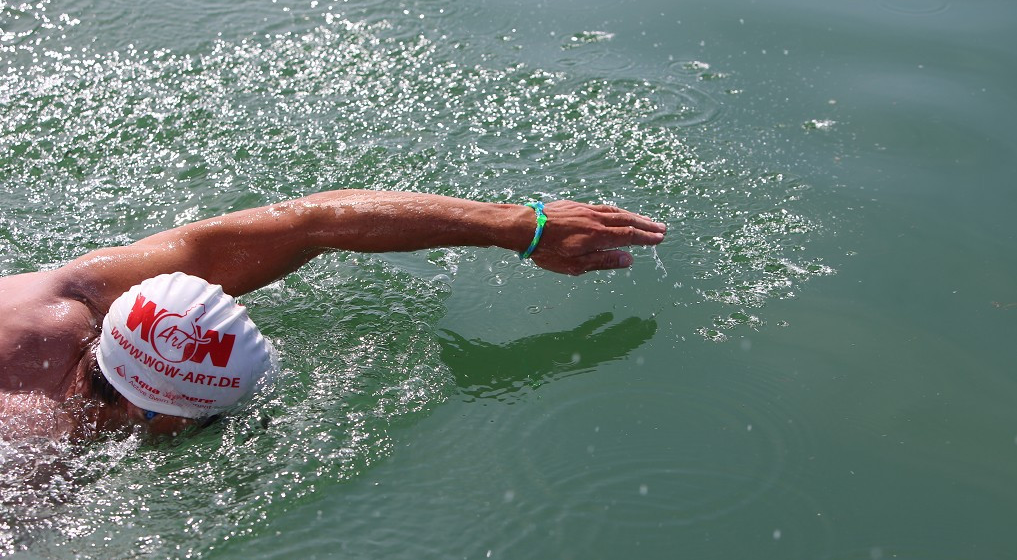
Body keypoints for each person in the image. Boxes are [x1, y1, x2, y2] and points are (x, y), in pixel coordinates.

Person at [0, 190, 666, 441]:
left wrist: (521, 226)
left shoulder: (72, 296)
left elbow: (307, 224)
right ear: (159, 409)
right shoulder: (30, 455)